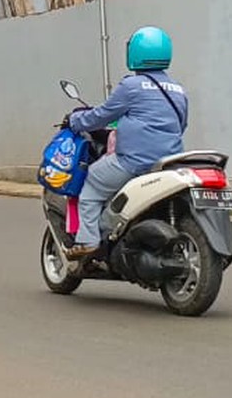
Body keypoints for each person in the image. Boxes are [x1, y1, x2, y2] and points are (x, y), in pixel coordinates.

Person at [64, 26, 188, 259]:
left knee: (89, 184)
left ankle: (88, 241)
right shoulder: (178, 90)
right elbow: (181, 125)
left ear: (135, 53)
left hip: (134, 163)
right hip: (169, 164)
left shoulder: (131, 86)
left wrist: (74, 120)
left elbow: (100, 116)